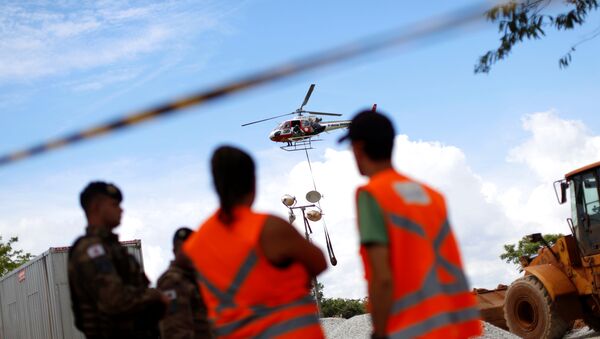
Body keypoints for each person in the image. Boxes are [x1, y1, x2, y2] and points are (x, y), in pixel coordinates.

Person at [338, 111, 482, 339]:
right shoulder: (432, 195)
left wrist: (380, 333)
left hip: (411, 329)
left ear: (358, 148)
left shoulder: (372, 195)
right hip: (453, 326)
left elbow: (382, 278)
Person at [183, 146, 327, 338]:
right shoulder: (268, 228)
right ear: (253, 183)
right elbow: (319, 262)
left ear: (216, 186)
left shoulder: (195, 245)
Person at [68, 181, 167, 338]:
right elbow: (114, 300)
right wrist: (155, 296)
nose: (121, 210)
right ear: (96, 208)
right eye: (114, 204)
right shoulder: (91, 249)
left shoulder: (112, 247)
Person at [158, 227, 213, 339]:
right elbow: (176, 331)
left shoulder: (198, 280)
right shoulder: (173, 281)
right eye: (186, 247)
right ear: (174, 251)